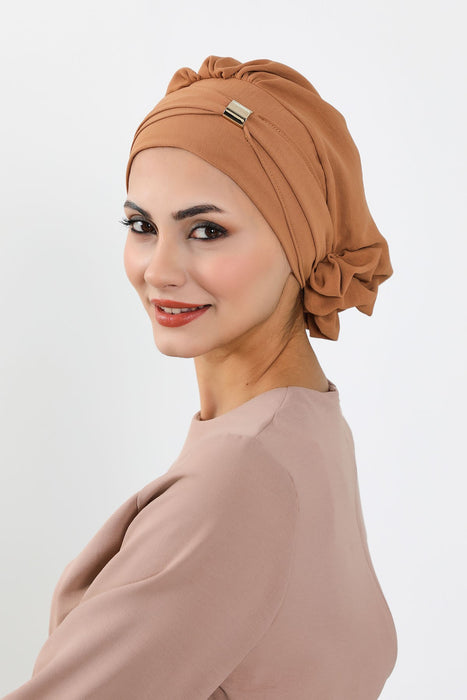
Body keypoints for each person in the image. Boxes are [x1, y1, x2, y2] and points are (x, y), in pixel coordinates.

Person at [4, 56, 397, 699]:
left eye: (207, 231)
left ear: (300, 244)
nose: (159, 270)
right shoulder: (310, 423)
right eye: (141, 226)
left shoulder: (241, 476)